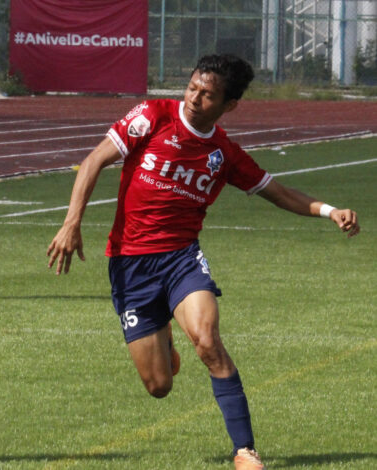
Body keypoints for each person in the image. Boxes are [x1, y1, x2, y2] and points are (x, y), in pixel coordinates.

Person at [46, 54, 360, 470]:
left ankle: (245, 451)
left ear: (228, 105)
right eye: (192, 87)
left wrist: (329, 210)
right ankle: (165, 337)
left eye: (207, 94)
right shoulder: (153, 116)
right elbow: (93, 161)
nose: (194, 98)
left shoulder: (224, 153)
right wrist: (71, 224)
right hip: (130, 264)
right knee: (159, 386)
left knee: (209, 342)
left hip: (181, 261)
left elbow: (278, 191)